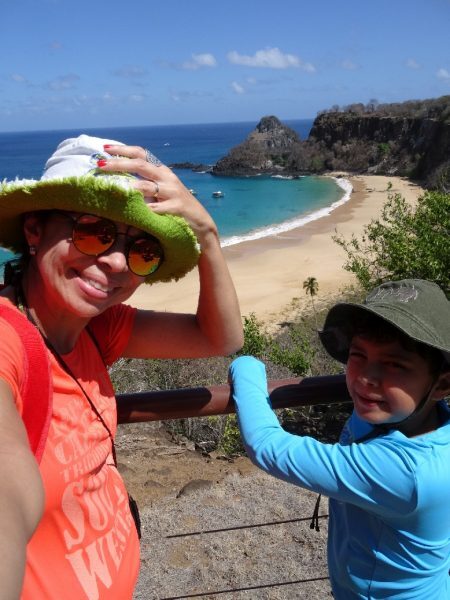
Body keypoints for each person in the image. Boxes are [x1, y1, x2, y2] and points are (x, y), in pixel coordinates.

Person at [0, 134, 243, 599]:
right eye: (93, 231)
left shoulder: (97, 328)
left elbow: (220, 338)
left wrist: (208, 236)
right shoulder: (8, 341)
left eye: (142, 251)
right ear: (34, 230)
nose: (114, 263)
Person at [229, 279, 450, 599]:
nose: (364, 378)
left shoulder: (404, 472)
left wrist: (245, 366)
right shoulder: (425, 421)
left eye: (394, 364)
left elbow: (266, 446)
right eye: (358, 355)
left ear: (442, 385)